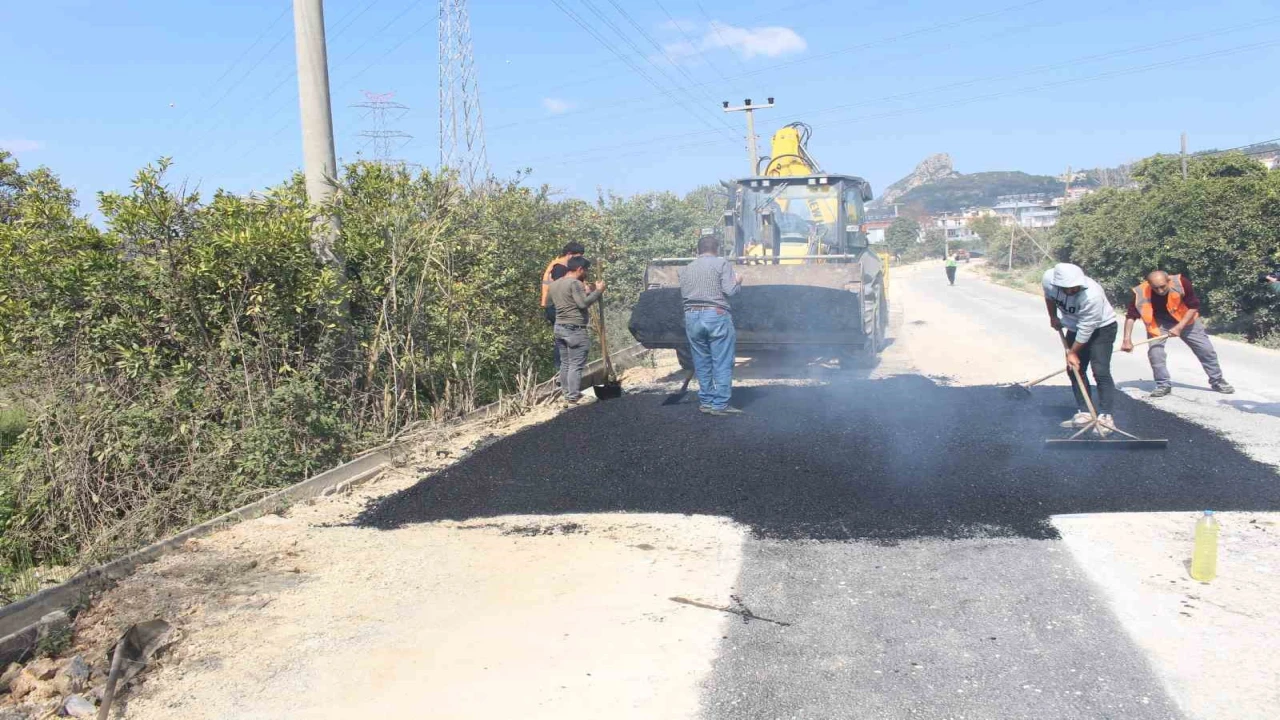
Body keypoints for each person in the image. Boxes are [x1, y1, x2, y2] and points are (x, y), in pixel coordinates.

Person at [1122, 270, 1233, 397]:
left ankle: (1217, 381)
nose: (1160, 291)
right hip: (1159, 322)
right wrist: (1126, 339)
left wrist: (1179, 327)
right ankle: (1163, 385)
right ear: (1149, 284)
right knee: (1155, 353)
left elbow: (1193, 306)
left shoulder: (1182, 283)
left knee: (1206, 350)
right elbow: (1131, 316)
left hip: (1186, 319)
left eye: (1162, 287)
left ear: (1168, 281)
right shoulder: (1141, 292)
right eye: (1155, 288)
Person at [1043, 262, 1119, 435]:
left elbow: (1087, 328)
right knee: (1074, 370)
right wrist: (1053, 316)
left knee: (1100, 371)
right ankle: (1085, 412)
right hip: (1074, 326)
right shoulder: (1048, 279)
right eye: (1067, 289)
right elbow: (1049, 297)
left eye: (1075, 288)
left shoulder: (1092, 295)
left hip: (1102, 328)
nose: (1071, 291)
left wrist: (1072, 352)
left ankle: (1106, 417)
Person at [679, 234, 742, 416]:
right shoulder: (721, 263)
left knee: (701, 361)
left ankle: (706, 402)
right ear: (717, 249)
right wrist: (738, 282)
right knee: (721, 360)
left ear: (698, 250)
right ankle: (720, 404)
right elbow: (730, 291)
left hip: (691, 316)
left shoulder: (686, 269)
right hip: (716, 315)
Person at [547, 256, 604, 405]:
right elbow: (582, 304)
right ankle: (573, 396)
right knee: (576, 364)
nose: (586, 273)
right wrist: (598, 292)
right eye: (585, 270)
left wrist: (587, 291)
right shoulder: (575, 283)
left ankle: (566, 394)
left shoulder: (554, 285)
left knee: (565, 363)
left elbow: (558, 301)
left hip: (559, 327)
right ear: (579, 269)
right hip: (575, 328)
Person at [541, 242, 584, 368]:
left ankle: (564, 368)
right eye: (578, 257)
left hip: (554, 306)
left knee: (564, 336)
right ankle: (562, 368)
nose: (579, 260)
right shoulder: (559, 267)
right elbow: (562, 288)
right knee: (566, 336)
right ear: (569, 254)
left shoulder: (559, 265)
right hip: (555, 306)